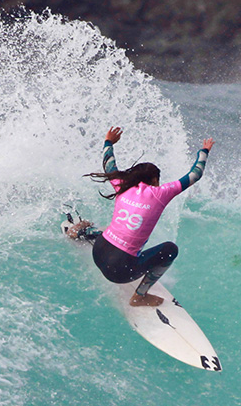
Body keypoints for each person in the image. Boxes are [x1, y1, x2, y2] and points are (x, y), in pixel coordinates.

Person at [68, 126, 214, 307]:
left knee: (115, 230)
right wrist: (204, 151)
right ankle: (140, 296)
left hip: (97, 252)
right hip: (119, 272)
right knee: (170, 249)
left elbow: (108, 163)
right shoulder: (161, 193)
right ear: (154, 180)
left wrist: (108, 141)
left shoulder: (122, 185)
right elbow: (195, 174)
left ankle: (78, 233)